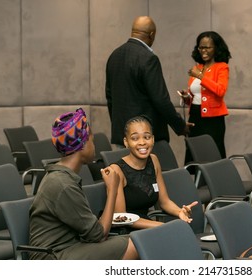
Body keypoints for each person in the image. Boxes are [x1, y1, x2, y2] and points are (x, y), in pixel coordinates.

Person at [29, 108, 138, 260]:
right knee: (134, 244)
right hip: (52, 256)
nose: (94, 145)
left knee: (135, 240)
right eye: (92, 141)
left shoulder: (63, 177)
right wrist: (113, 189)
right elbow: (99, 234)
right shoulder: (62, 184)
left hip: (70, 246)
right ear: (83, 144)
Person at [105, 16, 190, 147]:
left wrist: (122, 127)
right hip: (145, 138)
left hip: (123, 136)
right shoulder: (148, 58)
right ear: (151, 35)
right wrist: (180, 126)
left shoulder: (114, 55)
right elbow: (160, 100)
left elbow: (110, 98)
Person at [109, 115, 198, 231]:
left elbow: (164, 202)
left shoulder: (154, 160)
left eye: (147, 137)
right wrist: (162, 226)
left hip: (147, 227)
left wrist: (180, 212)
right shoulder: (116, 170)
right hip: (125, 233)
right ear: (126, 142)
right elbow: (123, 218)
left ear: (153, 139)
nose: (142, 142)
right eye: (135, 138)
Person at [178, 31, 231, 163]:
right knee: (196, 155)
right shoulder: (198, 67)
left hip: (213, 120)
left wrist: (200, 76)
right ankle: (196, 183)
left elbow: (220, 91)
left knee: (212, 156)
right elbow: (197, 95)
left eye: (207, 47)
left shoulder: (222, 67)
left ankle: (213, 183)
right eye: (201, 47)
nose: (203, 51)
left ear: (216, 48)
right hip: (195, 116)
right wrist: (187, 97)